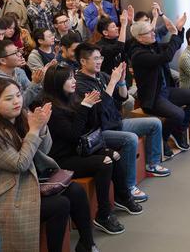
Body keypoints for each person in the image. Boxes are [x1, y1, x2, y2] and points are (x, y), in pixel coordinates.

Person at [0, 79, 98, 252]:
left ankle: (87, 244)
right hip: (4, 196)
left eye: (18, 95)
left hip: (26, 183)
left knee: (75, 191)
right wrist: (33, 131)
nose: (17, 101)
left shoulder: (20, 118)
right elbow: (20, 164)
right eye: (8, 99)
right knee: (60, 205)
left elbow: (43, 151)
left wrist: (42, 127)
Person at [75, 42, 169, 202]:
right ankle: (128, 187)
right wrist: (112, 82)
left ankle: (152, 164)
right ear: (83, 61)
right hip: (100, 131)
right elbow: (100, 107)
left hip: (116, 122)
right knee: (130, 139)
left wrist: (122, 81)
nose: (99, 61)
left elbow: (123, 97)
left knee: (154, 123)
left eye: (100, 57)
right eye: (95, 58)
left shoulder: (101, 76)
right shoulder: (80, 84)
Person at [43, 64, 131, 235]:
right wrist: (85, 107)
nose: (73, 81)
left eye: (73, 77)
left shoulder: (72, 97)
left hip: (82, 149)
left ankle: (123, 196)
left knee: (114, 154)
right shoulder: (51, 108)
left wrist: (93, 106)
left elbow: (92, 126)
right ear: (57, 82)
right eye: (69, 78)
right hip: (63, 159)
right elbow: (73, 135)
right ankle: (103, 214)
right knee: (105, 162)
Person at [131, 14, 190, 154]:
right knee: (178, 114)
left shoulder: (152, 46)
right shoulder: (138, 54)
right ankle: (162, 138)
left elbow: (174, 46)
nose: (154, 33)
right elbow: (166, 57)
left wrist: (179, 29)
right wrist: (174, 34)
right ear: (139, 37)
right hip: (152, 97)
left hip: (165, 91)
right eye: (150, 32)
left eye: (153, 31)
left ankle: (179, 130)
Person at [0, 39, 45, 107]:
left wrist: (45, 76)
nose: (20, 54)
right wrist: (35, 83)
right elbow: (18, 105)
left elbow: (35, 98)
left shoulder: (18, 71)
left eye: (18, 50)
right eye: (15, 53)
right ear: (3, 61)